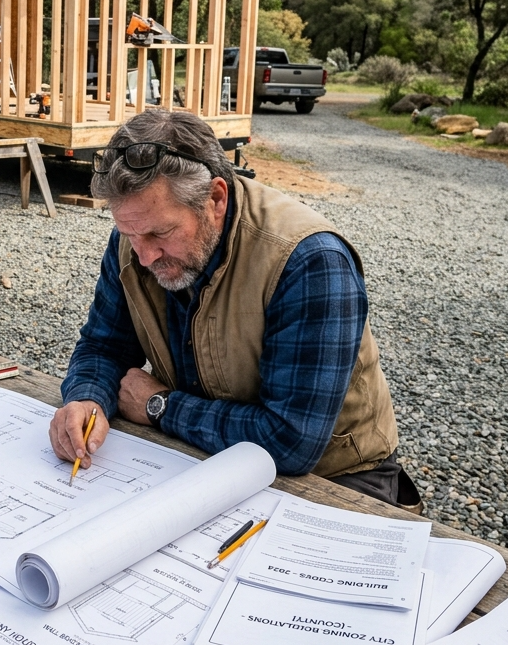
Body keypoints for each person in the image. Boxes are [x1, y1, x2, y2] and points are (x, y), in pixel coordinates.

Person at [49, 108, 413, 507]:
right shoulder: (136, 238)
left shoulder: (309, 260)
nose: (146, 255)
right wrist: (86, 398)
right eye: (129, 232)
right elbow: (105, 347)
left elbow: (290, 441)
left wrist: (160, 406)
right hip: (205, 456)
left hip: (334, 481)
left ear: (216, 198)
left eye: (161, 233)